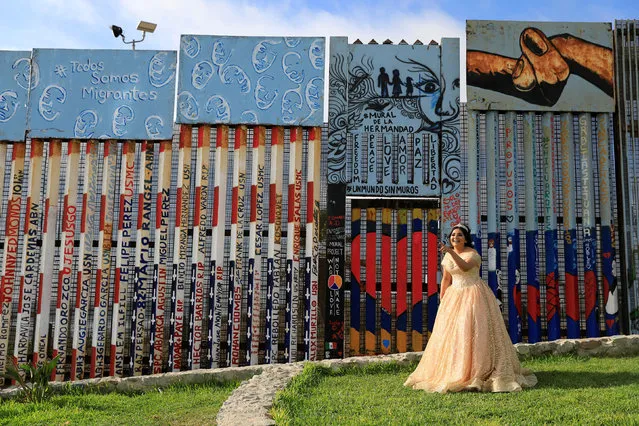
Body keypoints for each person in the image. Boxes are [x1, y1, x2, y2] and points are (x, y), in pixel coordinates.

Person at [404, 223, 537, 393]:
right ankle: (457, 370)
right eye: (453, 235)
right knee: (456, 334)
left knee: (475, 331)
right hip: (454, 296)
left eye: (459, 235)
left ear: (466, 238)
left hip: (474, 296)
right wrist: (443, 298)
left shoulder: (473, 255)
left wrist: (451, 252)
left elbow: (465, 267)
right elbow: (446, 279)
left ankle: (479, 370)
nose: (455, 238)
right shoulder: (448, 257)